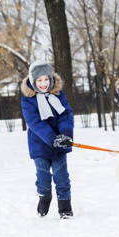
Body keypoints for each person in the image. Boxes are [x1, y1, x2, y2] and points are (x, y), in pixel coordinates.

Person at [20, 61, 75, 219]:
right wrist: (52, 139)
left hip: (60, 143)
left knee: (61, 176)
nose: (43, 84)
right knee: (43, 176)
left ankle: (65, 207)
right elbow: (35, 123)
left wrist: (65, 135)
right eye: (39, 80)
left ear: (51, 79)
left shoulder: (59, 95)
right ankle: (45, 197)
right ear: (33, 81)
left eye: (46, 79)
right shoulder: (28, 100)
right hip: (40, 145)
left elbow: (66, 115)